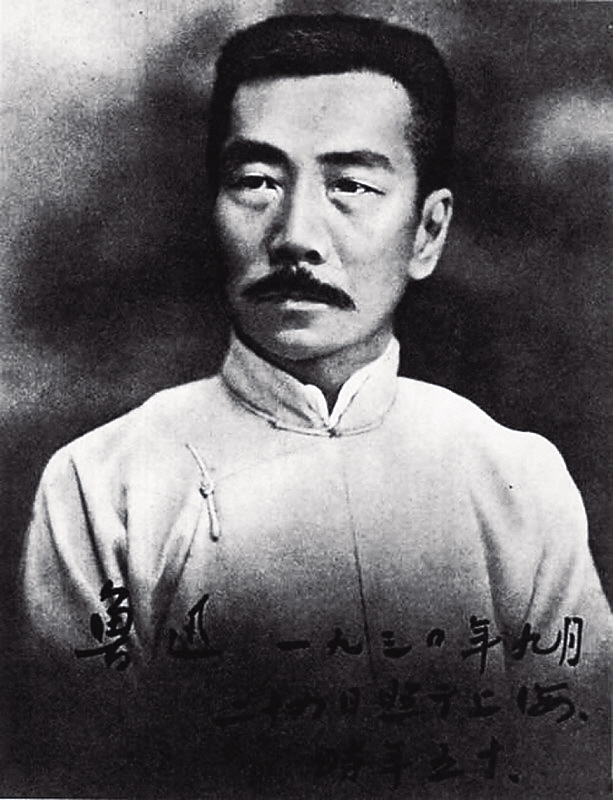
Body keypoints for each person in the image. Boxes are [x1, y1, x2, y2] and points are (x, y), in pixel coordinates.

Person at [18, 13, 610, 798]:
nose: (296, 235)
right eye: (256, 182)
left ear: (427, 231)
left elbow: (570, 759)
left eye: (350, 186)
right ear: (211, 206)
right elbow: (83, 774)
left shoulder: (515, 480)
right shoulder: (103, 486)